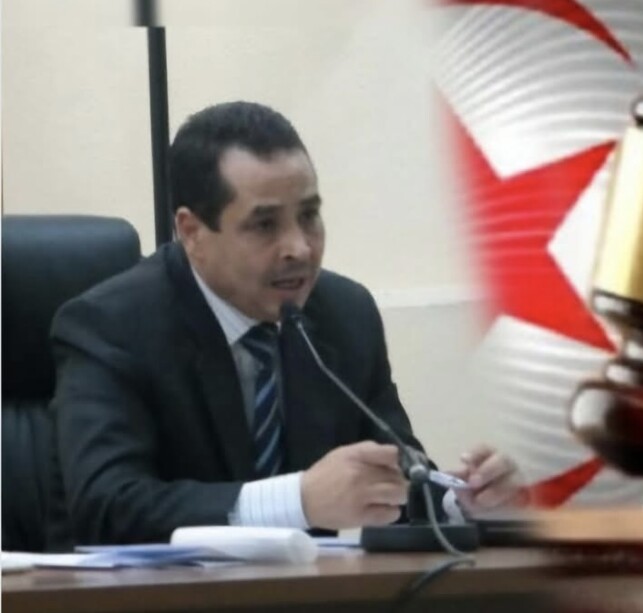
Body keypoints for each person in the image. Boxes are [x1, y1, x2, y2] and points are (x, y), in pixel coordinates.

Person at [47, 101, 525, 547]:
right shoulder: (111, 326)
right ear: (192, 232)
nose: (299, 247)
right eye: (265, 225)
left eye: (309, 216)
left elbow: (393, 477)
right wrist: (297, 501)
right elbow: (106, 506)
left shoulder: (344, 314)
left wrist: (462, 502)